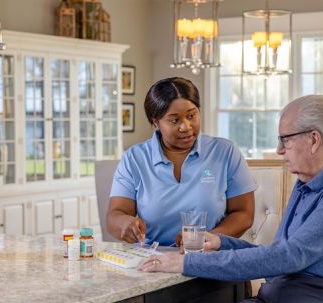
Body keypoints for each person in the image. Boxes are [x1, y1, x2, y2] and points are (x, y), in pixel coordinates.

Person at [138, 95, 323, 303]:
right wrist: (221, 243)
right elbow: (280, 254)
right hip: (291, 292)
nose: (279, 150)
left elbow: (289, 257)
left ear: (314, 139)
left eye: (285, 139)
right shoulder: (306, 182)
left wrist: (187, 262)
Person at [107, 77, 257, 247]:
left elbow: (244, 214)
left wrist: (205, 239)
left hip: (210, 259)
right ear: (156, 122)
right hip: (152, 263)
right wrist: (124, 223)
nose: (186, 126)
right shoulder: (134, 159)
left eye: (191, 115)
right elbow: (115, 215)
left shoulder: (225, 152)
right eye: (174, 120)